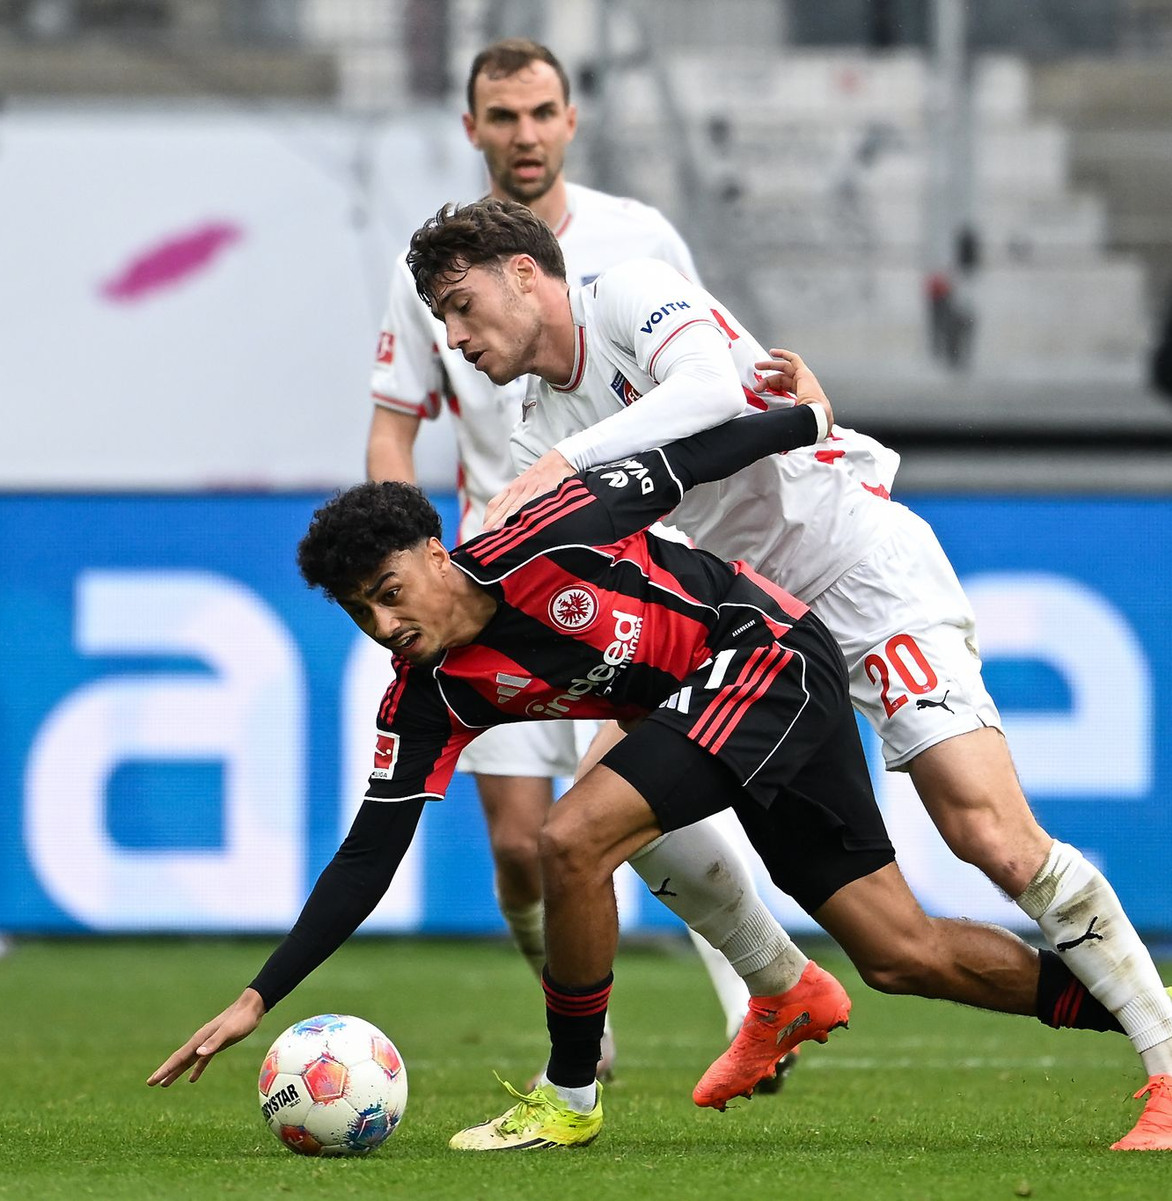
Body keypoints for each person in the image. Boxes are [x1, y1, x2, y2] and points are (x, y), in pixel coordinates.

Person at [148, 366, 1130, 1155]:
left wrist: (807, 420)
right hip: (721, 707)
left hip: (771, 651)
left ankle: (570, 1096)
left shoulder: (543, 535)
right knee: (900, 953)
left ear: (436, 553)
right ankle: (1138, 1014)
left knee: (570, 840)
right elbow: (366, 857)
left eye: (389, 591)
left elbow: (683, 464)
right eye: (360, 612)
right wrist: (255, 997)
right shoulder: (428, 698)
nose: (385, 623)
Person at [403, 196, 1172, 1151]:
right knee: (854, 933)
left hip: (858, 571)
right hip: (746, 634)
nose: (453, 333)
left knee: (990, 835)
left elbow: (713, 395)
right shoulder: (531, 435)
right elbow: (538, 554)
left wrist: (570, 460)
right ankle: (778, 986)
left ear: (525, 274)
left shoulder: (625, 297)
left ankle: (1166, 1051)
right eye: (440, 316)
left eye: (460, 304)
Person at [366, 37, 780, 1074]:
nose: (524, 135)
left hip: (627, 556)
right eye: (502, 118)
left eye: (540, 112)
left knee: (623, 795)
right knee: (519, 848)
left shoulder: (635, 239)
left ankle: (751, 1008)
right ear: (473, 131)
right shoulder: (427, 277)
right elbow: (392, 426)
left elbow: (706, 366)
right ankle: (585, 1032)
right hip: (492, 580)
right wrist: (404, 569)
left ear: (570, 119)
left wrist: (781, 404)